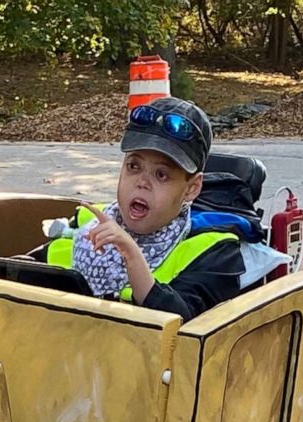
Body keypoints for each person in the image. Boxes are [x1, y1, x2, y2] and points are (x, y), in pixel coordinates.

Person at [31, 97, 253, 319]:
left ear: (192, 188)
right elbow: (19, 273)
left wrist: (132, 257)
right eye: (133, 166)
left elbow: (181, 330)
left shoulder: (216, 251)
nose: (142, 182)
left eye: (161, 175)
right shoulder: (88, 223)